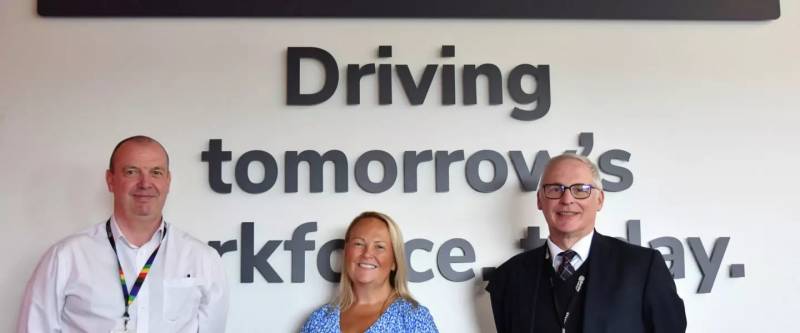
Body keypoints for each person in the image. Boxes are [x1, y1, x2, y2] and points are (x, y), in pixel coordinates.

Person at [17, 135, 229, 333]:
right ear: (110, 180)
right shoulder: (66, 257)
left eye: (156, 172)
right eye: (131, 172)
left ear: (168, 181)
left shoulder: (202, 259)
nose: (145, 183)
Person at [486, 153, 686, 333]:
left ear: (599, 200)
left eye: (581, 189)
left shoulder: (643, 268)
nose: (567, 199)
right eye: (555, 189)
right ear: (540, 200)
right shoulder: (508, 279)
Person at [301, 211, 438, 333]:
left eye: (379, 246)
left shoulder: (413, 318)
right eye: (358, 244)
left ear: (394, 261)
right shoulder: (319, 320)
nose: (367, 254)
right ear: (346, 253)